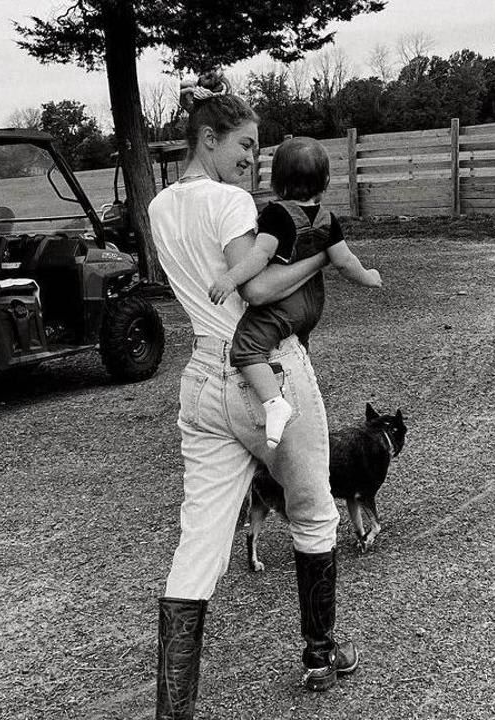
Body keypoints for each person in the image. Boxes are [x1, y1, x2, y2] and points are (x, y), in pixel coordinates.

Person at [147, 74, 360, 720]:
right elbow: (261, 292)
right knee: (315, 510)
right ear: (207, 139)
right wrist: (325, 256)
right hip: (267, 368)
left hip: (203, 382)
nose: (253, 160)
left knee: (198, 544)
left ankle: (173, 710)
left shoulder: (160, 208)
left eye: (258, 150)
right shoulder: (232, 204)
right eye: (243, 145)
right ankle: (320, 654)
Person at [208, 136, 382, 450]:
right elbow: (344, 261)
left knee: (246, 349)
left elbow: (259, 257)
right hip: (312, 305)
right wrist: (368, 277)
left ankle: (275, 403)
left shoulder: (277, 216)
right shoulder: (329, 220)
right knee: (296, 348)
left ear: (275, 182)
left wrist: (230, 279)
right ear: (326, 181)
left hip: (282, 306)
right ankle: (298, 387)